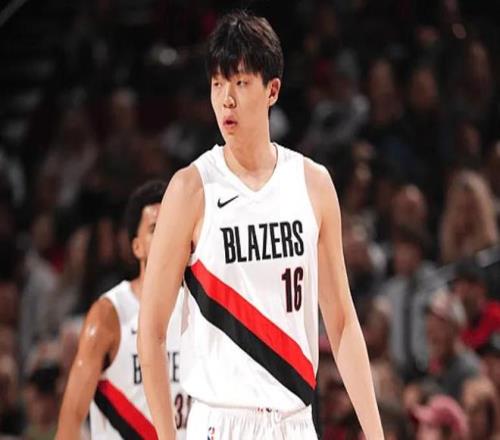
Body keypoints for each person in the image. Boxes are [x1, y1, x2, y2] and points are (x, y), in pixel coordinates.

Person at [138, 11, 382, 440]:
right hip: (220, 422)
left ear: (272, 90)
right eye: (217, 84)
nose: (226, 99)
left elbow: (342, 322)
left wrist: (377, 435)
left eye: (240, 82)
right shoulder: (191, 189)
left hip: (295, 421)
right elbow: (152, 331)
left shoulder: (313, 184)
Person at [56, 180, 188, 439]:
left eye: (171, 225)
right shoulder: (109, 314)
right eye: (155, 228)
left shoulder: (198, 310)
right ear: (136, 246)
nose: (166, 234)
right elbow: (70, 422)